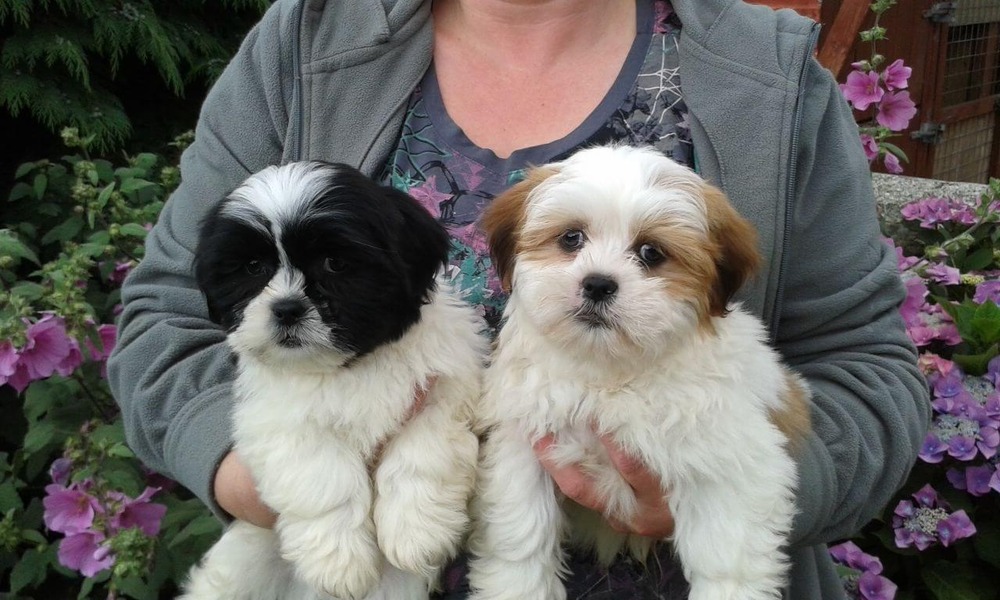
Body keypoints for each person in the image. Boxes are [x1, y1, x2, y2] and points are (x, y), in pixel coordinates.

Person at [107, 0, 930, 598]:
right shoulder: (305, 41)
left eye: (648, 253)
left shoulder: (768, 72)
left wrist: (736, 492)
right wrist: (275, 473)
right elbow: (168, 317)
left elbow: (869, 371)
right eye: (568, 242)